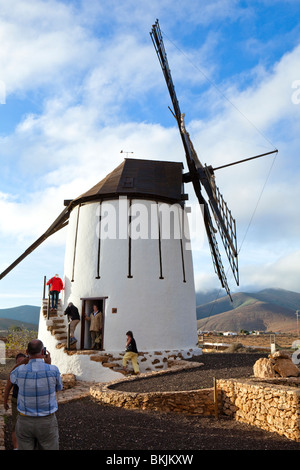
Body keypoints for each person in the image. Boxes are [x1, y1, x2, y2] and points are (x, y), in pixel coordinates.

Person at [8, 339, 63, 450]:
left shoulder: (19, 371)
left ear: (27, 351)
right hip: (47, 421)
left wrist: (23, 361)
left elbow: (11, 375)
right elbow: (58, 388)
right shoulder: (53, 370)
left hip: (24, 421)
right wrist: (49, 365)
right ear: (43, 352)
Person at [3, 352, 27, 450]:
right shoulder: (14, 373)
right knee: (16, 424)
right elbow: (8, 388)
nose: (21, 364)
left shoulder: (30, 371)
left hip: (27, 401)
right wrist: (5, 401)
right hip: (16, 400)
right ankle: (16, 447)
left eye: (23, 362)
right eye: (19, 363)